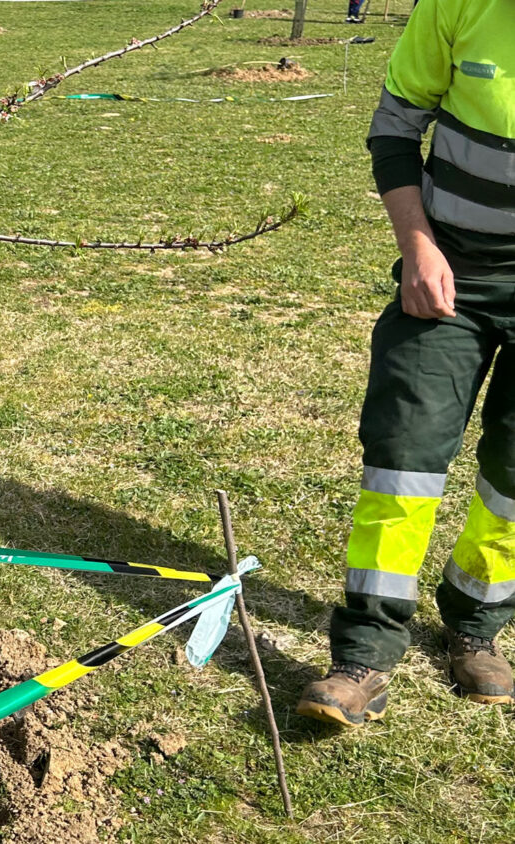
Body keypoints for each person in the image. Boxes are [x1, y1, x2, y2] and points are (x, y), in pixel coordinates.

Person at [296, 0, 515, 728]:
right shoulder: (461, 5)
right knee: (403, 455)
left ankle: (476, 625)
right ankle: (365, 653)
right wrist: (419, 246)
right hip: (450, 275)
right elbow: (395, 128)